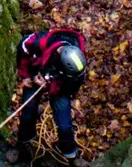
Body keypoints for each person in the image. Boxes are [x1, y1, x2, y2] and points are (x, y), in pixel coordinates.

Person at [5, 26, 88, 164]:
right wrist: (25, 76)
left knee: (64, 124)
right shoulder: (39, 43)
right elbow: (23, 47)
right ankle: (23, 145)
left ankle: (71, 155)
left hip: (60, 84)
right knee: (28, 112)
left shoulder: (77, 65)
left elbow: (71, 85)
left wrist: (50, 85)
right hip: (37, 71)